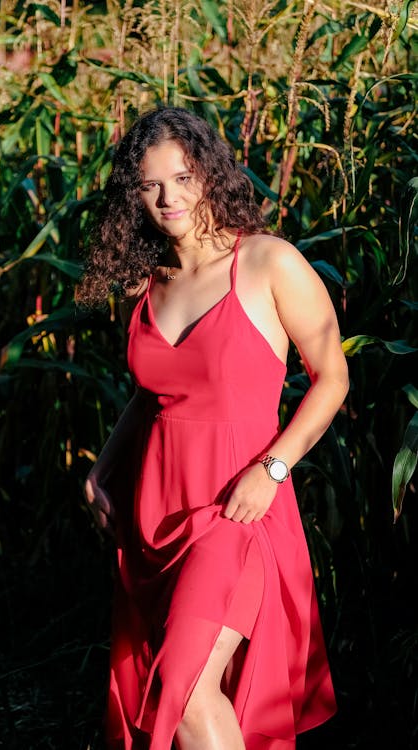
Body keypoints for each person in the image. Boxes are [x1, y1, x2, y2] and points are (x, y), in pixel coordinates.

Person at [75, 106, 349, 750]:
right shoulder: (151, 282)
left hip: (238, 508)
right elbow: (155, 397)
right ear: (132, 193)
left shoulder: (266, 262)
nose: (168, 197)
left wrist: (274, 466)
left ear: (210, 174)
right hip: (155, 512)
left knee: (187, 690)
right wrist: (101, 469)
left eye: (183, 176)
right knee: (189, 692)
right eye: (149, 184)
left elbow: (333, 376)